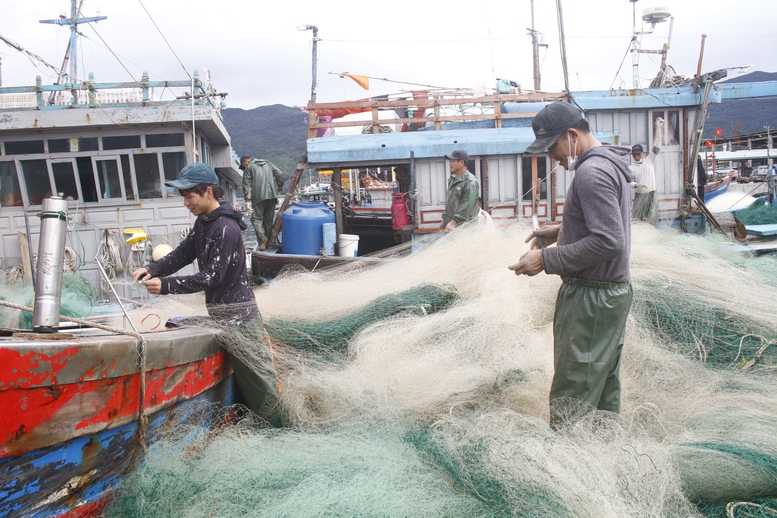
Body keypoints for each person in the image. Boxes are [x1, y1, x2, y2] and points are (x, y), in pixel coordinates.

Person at [507, 101, 635, 430]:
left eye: (553, 147)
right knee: (602, 389)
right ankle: (603, 457)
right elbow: (605, 228)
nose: (553, 158)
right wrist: (561, 232)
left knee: (573, 394)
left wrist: (545, 259)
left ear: (573, 135)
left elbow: (609, 241)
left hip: (591, 301)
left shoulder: (591, 174)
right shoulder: (611, 165)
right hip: (609, 295)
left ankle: (569, 469)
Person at [132, 162, 280, 424]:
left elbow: (212, 276)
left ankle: (278, 431)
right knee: (246, 385)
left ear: (208, 192)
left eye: (189, 196)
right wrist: (152, 268)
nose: (186, 203)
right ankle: (255, 424)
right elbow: (182, 254)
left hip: (241, 321)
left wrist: (165, 286)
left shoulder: (224, 227)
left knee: (261, 385)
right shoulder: (204, 223)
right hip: (224, 318)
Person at [240, 155, 285, 251]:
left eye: (243, 166)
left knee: (256, 219)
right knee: (268, 221)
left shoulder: (249, 167)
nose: (244, 168)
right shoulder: (268, 163)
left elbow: (246, 184)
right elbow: (280, 174)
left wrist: (247, 200)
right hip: (272, 196)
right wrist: (280, 185)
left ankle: (263, 239)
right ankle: (267, 242)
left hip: (258, 197)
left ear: (245, 161)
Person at [630, 118, 664, 226]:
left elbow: (657, 145)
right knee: (636, 221)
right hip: (640, 196)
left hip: (652, 194)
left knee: (652, 221)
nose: (636, 156)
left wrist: (658, 128)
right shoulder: (631, 168)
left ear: (643, 153)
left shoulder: (650, 160)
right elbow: (626, 182)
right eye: (634, 154)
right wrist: (636, 184)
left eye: (638, 154)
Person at [440, 149, 479, 231]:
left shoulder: (470, 182)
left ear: (461, 162)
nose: (450, 164)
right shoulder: (452, 179)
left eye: (453, 161)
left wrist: (454, 222)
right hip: (451, 226)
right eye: (450, 161)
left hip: (465, 228)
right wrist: (444, 219)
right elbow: (450, 202)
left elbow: (467, 205)